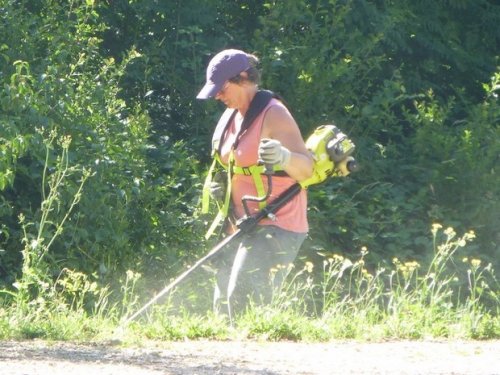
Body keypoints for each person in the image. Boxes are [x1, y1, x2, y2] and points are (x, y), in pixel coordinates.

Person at [196, 49, 313, 318]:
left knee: (243, 298)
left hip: (278, 221)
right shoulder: (231, 116)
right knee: (223, 305)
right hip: (240, 223)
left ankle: (256, 358)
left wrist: (283, 157)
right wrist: (221, 188)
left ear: (244, 78)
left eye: (222, 89)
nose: (217, 96)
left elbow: (306, 170)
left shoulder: (274, 114)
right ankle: (226, 361)